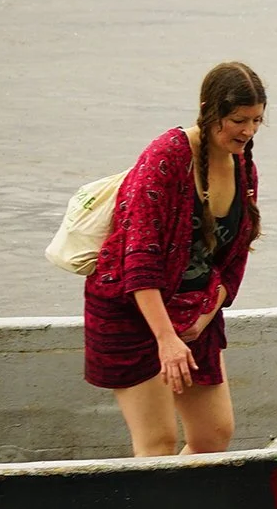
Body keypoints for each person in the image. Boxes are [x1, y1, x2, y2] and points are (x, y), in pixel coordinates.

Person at [84, 62, 265, 457]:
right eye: (238, 120)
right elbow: (139, 260)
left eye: (257, 121)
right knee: (158, 443)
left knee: (213, 436)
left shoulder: (244, 168)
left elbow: (234, 259)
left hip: (193, 314)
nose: (249, 131)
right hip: (133, 312)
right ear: (208, 109)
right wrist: (166, 339)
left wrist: (205, 315)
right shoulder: (166, 158)